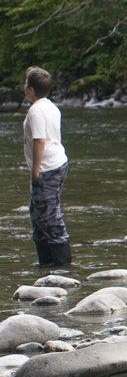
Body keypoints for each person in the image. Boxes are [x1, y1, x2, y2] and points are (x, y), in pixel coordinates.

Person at [23, 67, 72, 266]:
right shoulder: (49, 105)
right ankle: (45, 263)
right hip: (56, 163)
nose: (24, 87)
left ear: (31, 90)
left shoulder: (36, 111)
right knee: (37, 215)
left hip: (46, 169)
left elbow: (39, 141)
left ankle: (63, 266)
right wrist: (33, 72)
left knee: (49, 219)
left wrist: (36, 172)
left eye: (26, 83)